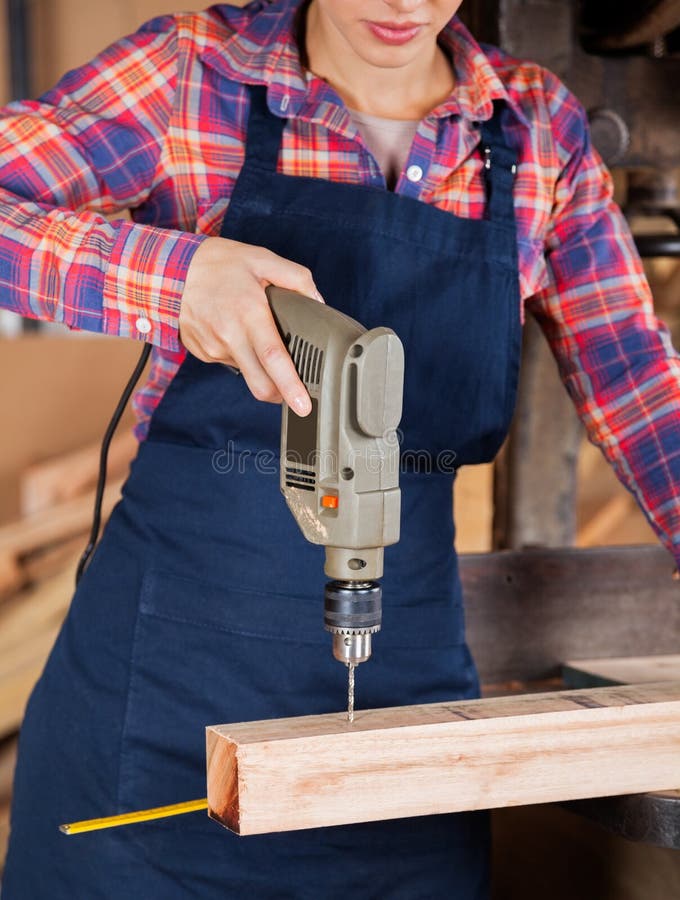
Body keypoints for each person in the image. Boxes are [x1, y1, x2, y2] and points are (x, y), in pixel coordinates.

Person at [1, 1, 678, 897]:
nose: (402, 5)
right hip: (164, 706)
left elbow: (634, 376)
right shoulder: (191, 74)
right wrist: (175, 274)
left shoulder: (535, 124)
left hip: (405, 713)